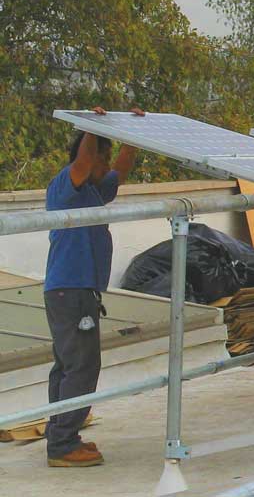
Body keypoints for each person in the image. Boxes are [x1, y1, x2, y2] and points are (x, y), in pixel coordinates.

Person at [43, 106, 143, 467]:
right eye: (102, 157)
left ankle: (61, 435)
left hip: (72, 292)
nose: (105, 166)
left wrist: (131, 132)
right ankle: (63, 445)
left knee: (67, 366)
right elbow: (84, 160)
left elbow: (122, 168)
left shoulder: (94, 192)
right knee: (83, 366)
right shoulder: (66, 186)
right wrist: (91, 127)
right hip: (71, 291)